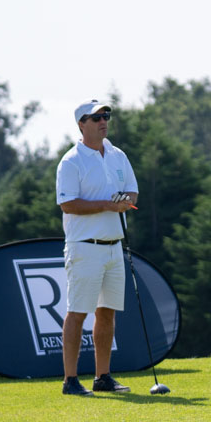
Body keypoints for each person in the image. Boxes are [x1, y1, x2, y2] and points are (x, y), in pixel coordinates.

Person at [54, 98, 140, 395]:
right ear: (81, 124)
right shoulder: (71, 161)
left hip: (114, 246)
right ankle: (70, 380)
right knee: (77, 312)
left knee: (107, 312)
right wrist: (107, 205)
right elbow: (67, 204)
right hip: (84, 247)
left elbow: (132, 192)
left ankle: (102, 377)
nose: (103, 121)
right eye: (96, 118)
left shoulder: (117, 155)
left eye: (106, 116)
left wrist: (125, 201)